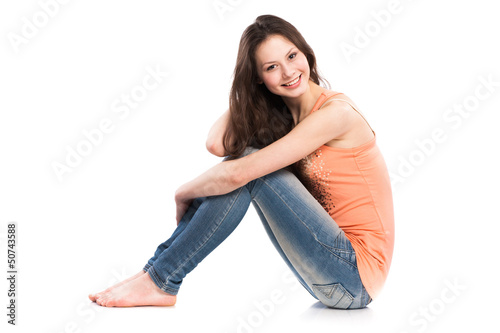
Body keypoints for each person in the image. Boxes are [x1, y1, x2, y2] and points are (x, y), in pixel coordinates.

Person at [89, 14, 394, 309]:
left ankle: (160, 279)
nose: (288, 72)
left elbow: (237, 174)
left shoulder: (336, 114)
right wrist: (249, 92)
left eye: (292, 56)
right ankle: (154, 275)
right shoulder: (287, 118)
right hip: (330, 277)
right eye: (271, 67)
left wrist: (183, 192)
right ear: (259, 77)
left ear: (307, 55)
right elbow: (216, 143)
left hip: (353, 278)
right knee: (245, 165)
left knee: (251, 170)